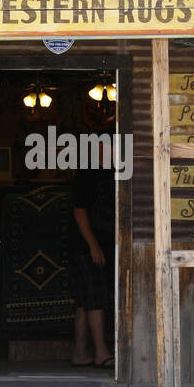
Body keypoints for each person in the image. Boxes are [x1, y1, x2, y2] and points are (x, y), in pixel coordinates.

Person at [70, 156, 115, 369]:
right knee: (96, 297)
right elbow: (79, 211)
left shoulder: (112, 169)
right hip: (89, 245)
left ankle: (80, 352)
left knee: (84, 300)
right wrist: (93, 245)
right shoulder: (88, 171)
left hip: (100, 243)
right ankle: (100, 353)